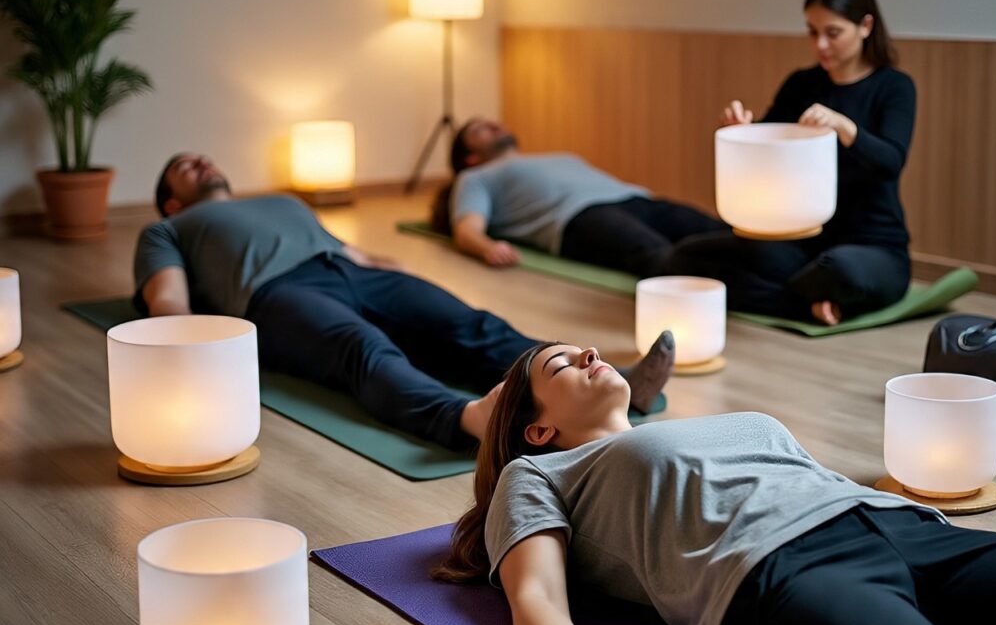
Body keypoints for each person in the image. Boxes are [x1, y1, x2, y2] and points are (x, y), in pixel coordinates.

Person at [435, 342, 996, 625]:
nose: (591, 353)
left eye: (586, 349)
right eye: (562, 362)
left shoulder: (697, 427)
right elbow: (534, 589)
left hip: (906, 527)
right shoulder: (540, 471)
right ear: (537, 430)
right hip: (782, 573)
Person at [134, 154, 676, 450]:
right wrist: (196, 370)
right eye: (185, 166)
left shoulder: (279, 199)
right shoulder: (167, 228)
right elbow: (170, 305)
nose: (202, 161)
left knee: (465, 322)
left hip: (346, 269)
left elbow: (354, 251)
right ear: (172, 200)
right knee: (361, 347)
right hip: (276, 293)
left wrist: (410, 280)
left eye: (203, 158)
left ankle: (616, 385)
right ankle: (465, 419)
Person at [691, 0, 916, 325]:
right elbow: (768, 145)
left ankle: (789, 295)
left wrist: (845, 126)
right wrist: (745, 133)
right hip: (802, 245)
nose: (820, 45)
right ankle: (805, 305)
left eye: (833, 33)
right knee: (690, 258)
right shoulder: (801, 83)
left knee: (840, 269)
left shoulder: (894, 87)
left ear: (866, 26)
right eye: (813, 32)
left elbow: (891, 161)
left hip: (872, 249)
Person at [433, 119, 726, 274]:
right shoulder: (474, 178)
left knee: (721, 232)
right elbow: (466, 229)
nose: (494, 124)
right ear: (469, 157)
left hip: (634, 198)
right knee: (663, 258)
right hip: (577, 217)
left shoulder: (548, 157)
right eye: (479, 129)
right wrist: (488, 248)